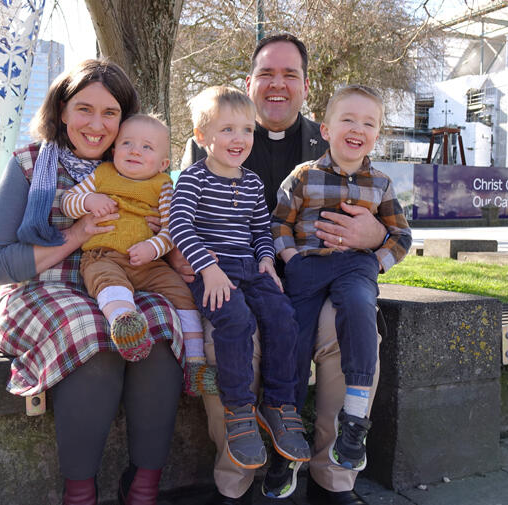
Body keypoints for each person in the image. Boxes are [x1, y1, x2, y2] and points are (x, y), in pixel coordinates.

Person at [174, 34, 388, 505]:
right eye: (266, 73)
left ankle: (333, 479)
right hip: (236, 279)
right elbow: (183, 222)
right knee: (234, 337)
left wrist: (374, 237)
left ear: (305, 86)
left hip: (320, 280)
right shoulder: (213, 141)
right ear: (249, 83)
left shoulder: (332, 135)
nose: (277, 84)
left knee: (351, 332)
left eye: (289, 74)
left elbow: (382, 216)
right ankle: (237, 481)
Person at [0, 60, 184, 505]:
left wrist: (165, 234)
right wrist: (77, 234)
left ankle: (143, 488)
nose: (96, 124)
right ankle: (80, 495)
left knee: (163, 327)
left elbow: (173, 231)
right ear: (62, 111)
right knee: (92, 336)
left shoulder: (136, 164)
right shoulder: (30, 164)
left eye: (110, 113)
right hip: (42, 293)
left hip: (122, 285)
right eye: (84, 109)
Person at [169, 86, 311, 469]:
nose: (239, 139)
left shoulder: (250, 182)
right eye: (227, 129)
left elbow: (260, 229)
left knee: (283, 317)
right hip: (211, 273)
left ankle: (279, 403)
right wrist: (208, 269)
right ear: (202, 137)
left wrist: (266, 259)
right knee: (236, 320)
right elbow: (179, 226)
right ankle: (239, 410)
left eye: (247, 130)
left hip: (251, 269)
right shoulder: (192, 179)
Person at [272, 84, 412, 472]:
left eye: (368, 122)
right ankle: (287, 434)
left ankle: (354, 420)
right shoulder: (302, 177)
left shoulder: (380, 184)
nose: (358, 128)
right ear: (326, 129)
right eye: (347, 119)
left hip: (356, 267)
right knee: (293, 336)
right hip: (307, 268)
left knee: (360, 309)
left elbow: (401, 236)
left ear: (377, 135)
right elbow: (279, 223)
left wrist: (376, 262)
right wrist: (290, 257)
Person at [59, 114, 204, 367]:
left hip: (149, 264)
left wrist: (152, 247)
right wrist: (88, 201)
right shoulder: (103, 174)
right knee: (107, 282)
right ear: (114, 150)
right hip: (103, 256)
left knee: (183, 294)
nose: (135, 151)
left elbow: (172, 230)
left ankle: (195, 361)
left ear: (163, 163)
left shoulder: (163, 185)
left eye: (147, 147)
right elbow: (67, 201)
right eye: (127, 143)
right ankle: (126, 325)